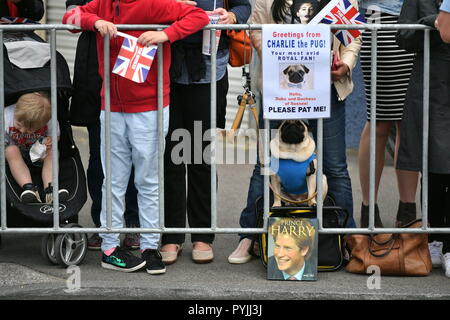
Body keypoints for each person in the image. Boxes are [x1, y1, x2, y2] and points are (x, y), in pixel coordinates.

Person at [63, 0, 209, 274]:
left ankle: (150, 246)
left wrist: (166, 34)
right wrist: (93, 22)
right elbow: (70, 16)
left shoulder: (156, 4)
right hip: (111, 108)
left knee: (148, 179)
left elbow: (198, 15)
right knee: (113, 180)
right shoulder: (101, 4)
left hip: (149, 108)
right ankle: (109, 248)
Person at [228, 0, 361, 264]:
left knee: (334, 166)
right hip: (280, 89)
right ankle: (250, 235)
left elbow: (352, 33)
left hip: (328, 88)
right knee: (266, 165)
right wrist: (278, 61)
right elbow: (256, 29)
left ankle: (346, 238)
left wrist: (345, 65)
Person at [161, 0, 251, 265]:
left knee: (202, 154)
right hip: (167, 61)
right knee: (170, 156)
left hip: (211, 64)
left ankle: (203, 235)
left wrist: (233, 16)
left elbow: (244, 6)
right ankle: (171, 235)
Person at [65, 0, 141, 251]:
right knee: (100, 157)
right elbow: (72, 19)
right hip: (94, 70)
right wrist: (95, 20)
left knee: (135, 154)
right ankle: (103, 223)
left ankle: (133, 223)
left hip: (132, 58)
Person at [396, 0, 450, 278]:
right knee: (431, 165)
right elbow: (403, 37)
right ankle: (434, 239)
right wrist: (432, 21)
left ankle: (449, 244)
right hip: (430, 83)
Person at [357, 0, 418, 228]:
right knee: (379, 120)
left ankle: (407, 210)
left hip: (419, 19)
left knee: (408, 121)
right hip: (381, 17)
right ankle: (369, 209)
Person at [4, 91, 69, 204]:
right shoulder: (6, 116)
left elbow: (55, 136)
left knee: (53, 151)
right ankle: (29, 188)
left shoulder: (49, 119)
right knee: (10, 150)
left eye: (31, 130)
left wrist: (49, 140)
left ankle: (50, 189)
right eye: (19, 124)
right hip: (16, 155)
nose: (23, 131)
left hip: (37, 152)